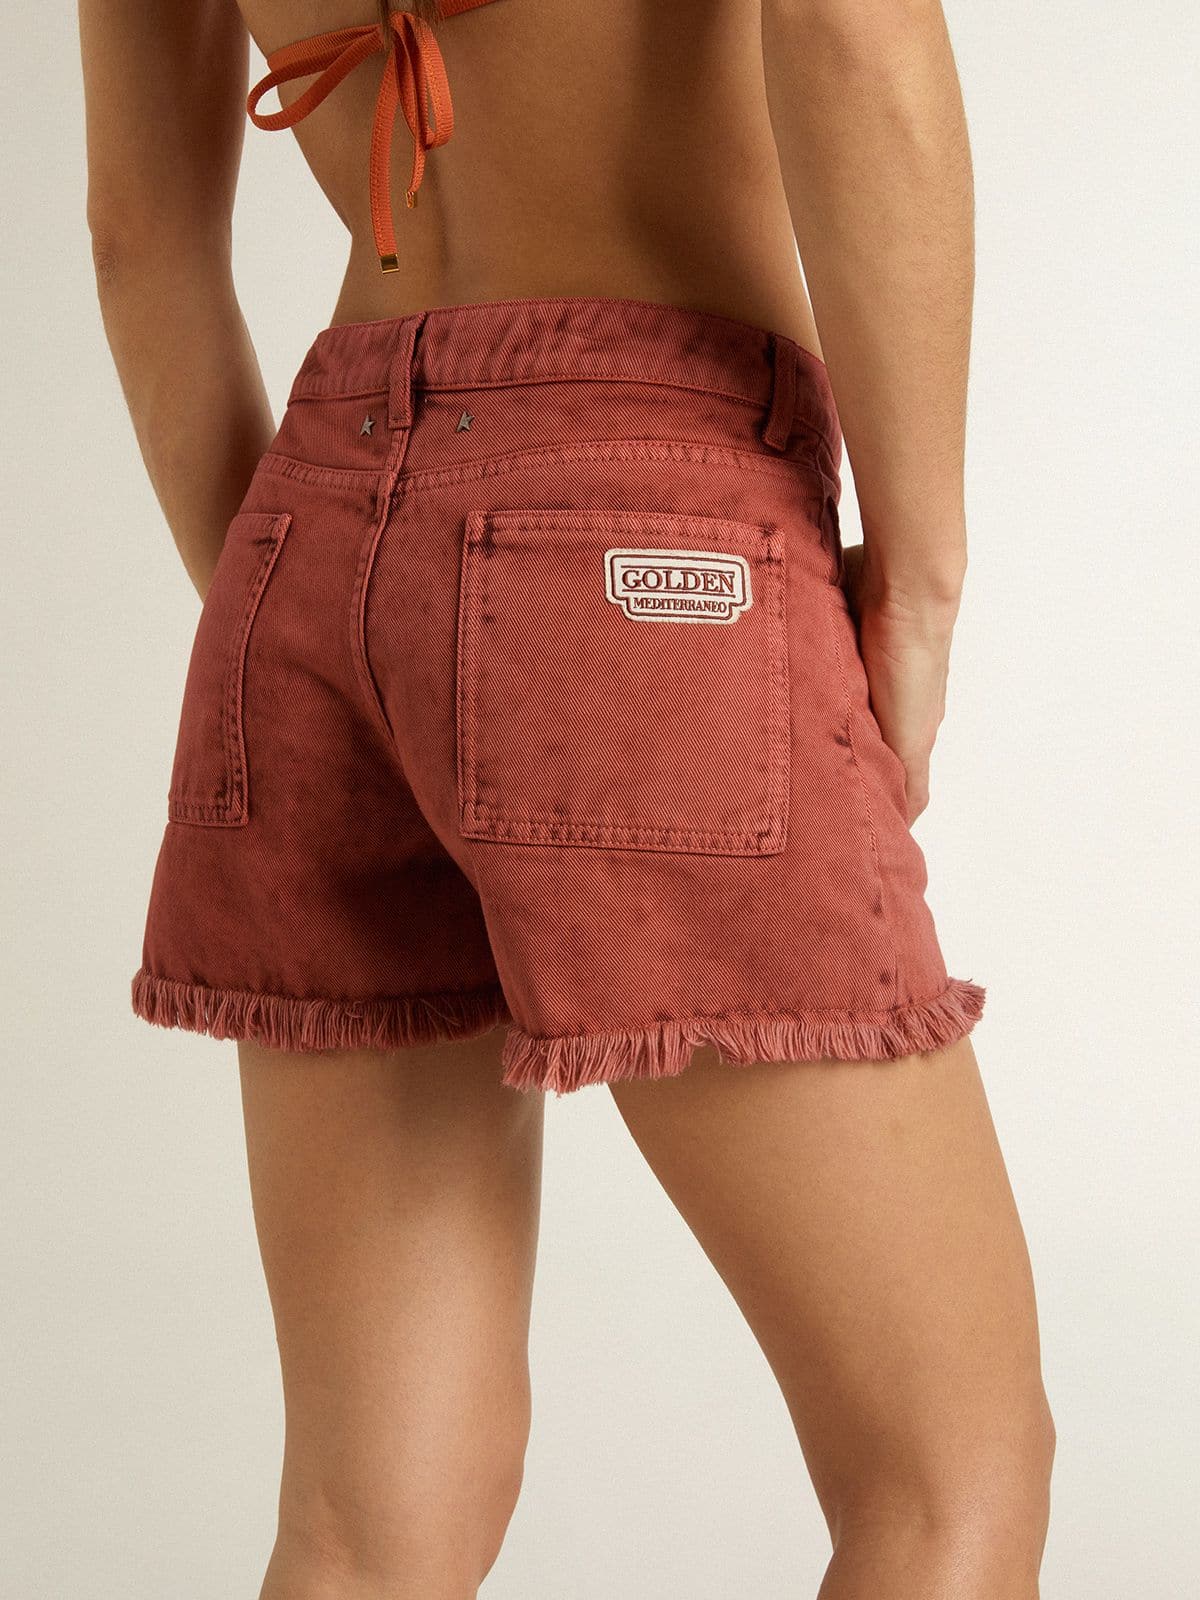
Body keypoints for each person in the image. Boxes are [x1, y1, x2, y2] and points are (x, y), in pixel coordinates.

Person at [80, 0, 1054, 1594]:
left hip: (309, 526)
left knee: (364, 1527)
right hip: (643, 496)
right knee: (949, 1478)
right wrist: (923, 578)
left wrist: (298, 609)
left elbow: (141, 239)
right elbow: (852, 31)